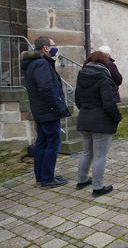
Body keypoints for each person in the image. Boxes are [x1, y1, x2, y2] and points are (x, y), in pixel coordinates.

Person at [21, 36, 70, 188]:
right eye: (54, 45)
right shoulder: (41, 63)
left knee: (42, 143)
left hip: (41, 110)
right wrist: (55, 107)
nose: (56, 48)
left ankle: (41, 176)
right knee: (52, 143)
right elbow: (46, 88)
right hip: (47, 111)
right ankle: (47, 178)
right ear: (45, 48)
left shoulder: (35, 63)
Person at [75, 51, 122, 197]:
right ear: (104, 62)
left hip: (85, 118)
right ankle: (98, 187)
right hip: (101, 121)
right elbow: (109, 103)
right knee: (99, 155)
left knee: (87, 151)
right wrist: (117, 118)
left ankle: (82, 180)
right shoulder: (104, 77)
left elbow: (77, 99)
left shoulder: (81, 75)